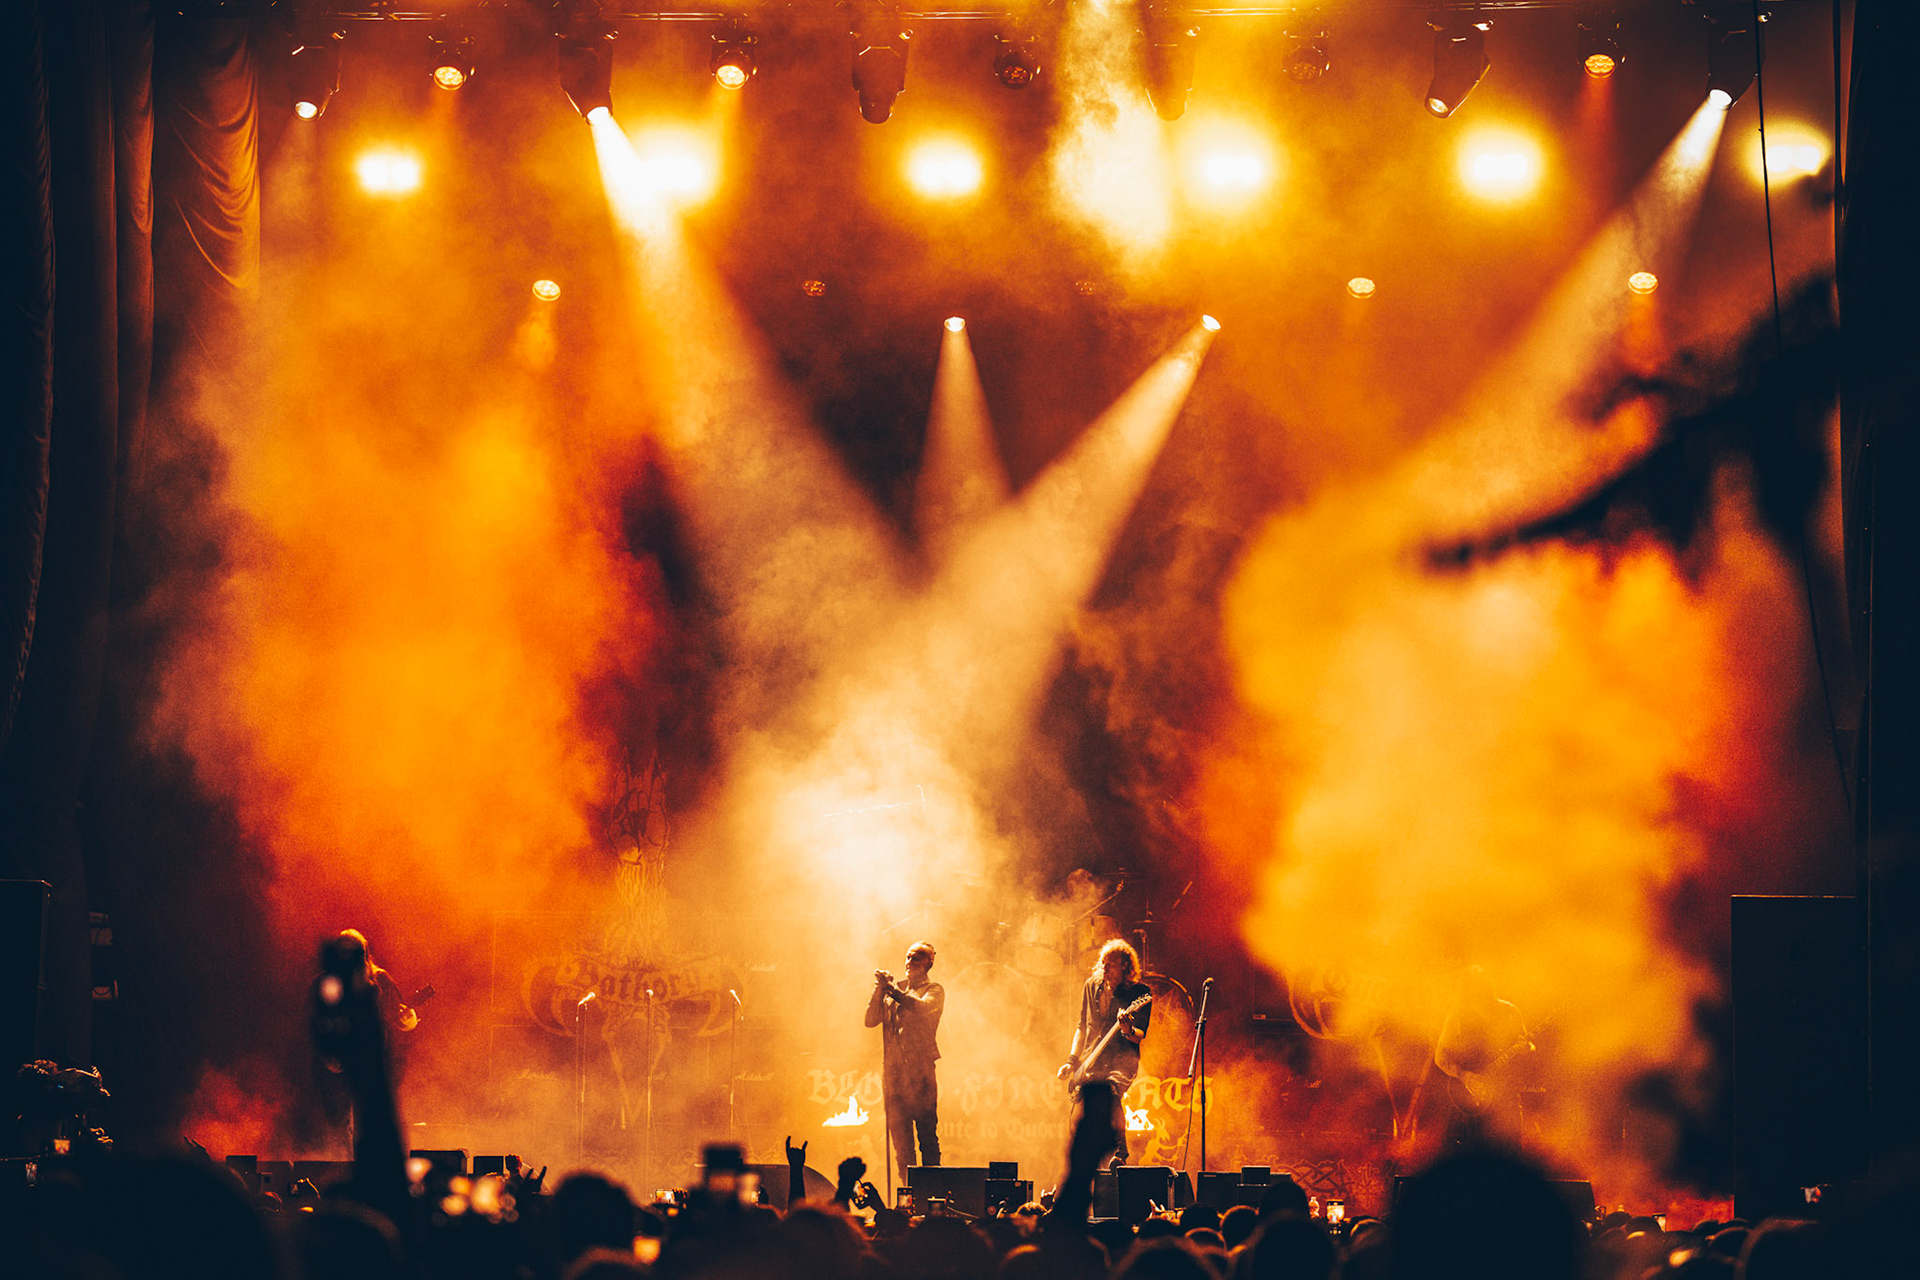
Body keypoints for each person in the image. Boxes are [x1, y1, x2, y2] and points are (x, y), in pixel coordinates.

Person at [1058, 939, 1152, 1169]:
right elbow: (1082, 1025)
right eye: (1104, 963)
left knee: (1111, 1091)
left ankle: (1121, 1152)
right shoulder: (1091, 986)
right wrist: (1072, 1061)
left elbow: (1139, 1035)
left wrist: (1127, 1029)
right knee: (1087, 1115)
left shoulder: (1139, 993)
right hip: (1091, 1060)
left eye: (1111, 964)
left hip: (1123, 1060)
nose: (1105, 967)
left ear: (1125, 967)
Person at [865, 940, 945, 1178]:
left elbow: (921, 1008)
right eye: (908, 957)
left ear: (929, 962)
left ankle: (932, 1198)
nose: (910, 962)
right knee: (902, 1147)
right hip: (894, 1077)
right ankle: (907, 1199)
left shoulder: (934, 990)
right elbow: (870, 1020)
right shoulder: (894, 991)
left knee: (927, 1140)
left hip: (921, 1076)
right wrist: (879, 990)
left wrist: (892, 991)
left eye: (917, 957)